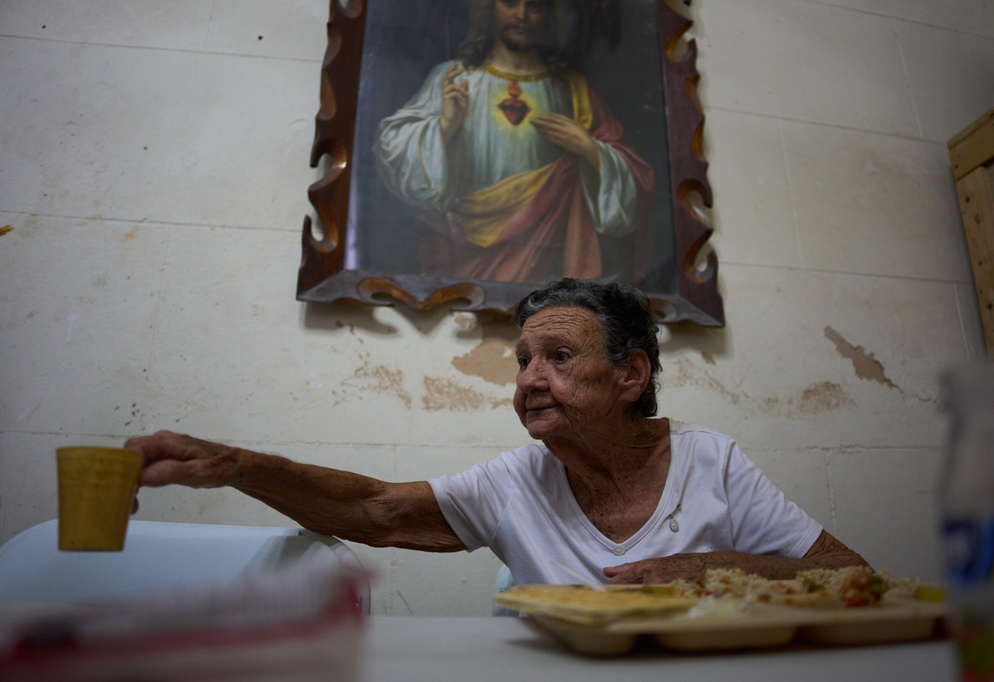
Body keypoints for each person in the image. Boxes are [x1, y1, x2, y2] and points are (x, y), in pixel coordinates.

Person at [127, 278, 867, 589]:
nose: (528, 381)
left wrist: (720, 569)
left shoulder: (712, 460)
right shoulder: (517, 481)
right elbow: (376, 510)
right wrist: (233, 465)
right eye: (522, 362)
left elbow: (851, 576)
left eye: (559, 359)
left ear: (630, 376)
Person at [372, 0, 655, 285]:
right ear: (489, 9)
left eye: (534, 6)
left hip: (546, 261)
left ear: (547, 16)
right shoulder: (453, 78)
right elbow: (391, 152)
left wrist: (590, 149)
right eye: (510, 3)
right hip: (461, 257)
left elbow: (636, 182)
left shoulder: (573, 90)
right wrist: (445, 127)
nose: (521, 15)